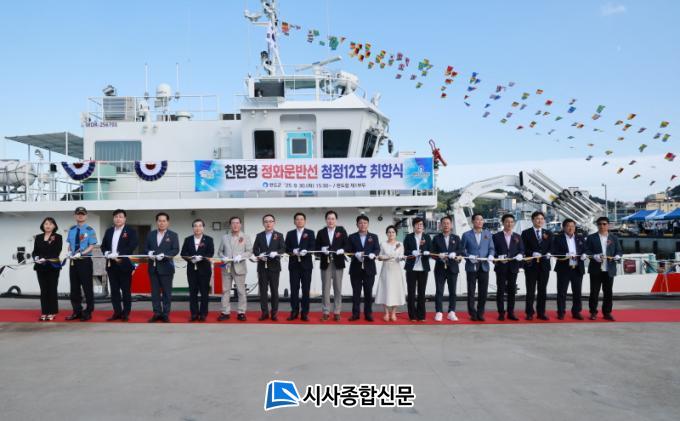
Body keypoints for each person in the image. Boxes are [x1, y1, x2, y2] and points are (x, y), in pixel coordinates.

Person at [101, 209, 138, 322]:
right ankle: (117, 312)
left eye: (120, 217)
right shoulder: (109, 231)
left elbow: (132, 245)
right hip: (111, 265)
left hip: (124, 265)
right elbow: (103, 246)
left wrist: (118, 254)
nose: (118, 219)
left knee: (126, 290)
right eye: (116, 217)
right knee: (114, 290)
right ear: (113, 218)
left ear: (125, 219)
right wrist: (107, 253)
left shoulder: (130, 231)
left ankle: (125, 313)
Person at [585, 216, 622, 321]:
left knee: (608, 292)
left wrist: (618, 256)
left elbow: (619, 251)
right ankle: (593, 312)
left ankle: (607, 313)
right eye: (600, 224)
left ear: (608, 225)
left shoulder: (614, 238)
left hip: (609, 269)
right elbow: (587, 250)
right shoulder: (591, 237)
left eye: (604, 224)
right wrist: (594, 256)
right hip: (595, 269)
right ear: (597, 225)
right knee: (594, 292)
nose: (602, 226)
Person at [144, 212, 180, 323]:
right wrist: (149, 253)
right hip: (153, 268)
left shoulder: (173, 235)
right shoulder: (150, 234)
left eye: (164, 221)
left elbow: (175, 249)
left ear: (168, 222)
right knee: (155, 293)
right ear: (156, 222)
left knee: (166, 293)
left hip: (166, 268)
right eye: (159, 221)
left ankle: (165, 314)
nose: (162, 223)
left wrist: (165, 255)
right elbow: (145, 248)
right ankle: (156, 313)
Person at [461, 214, 495, 321]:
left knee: (483, 291)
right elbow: (462, 250)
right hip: (471, 266)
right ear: (473, 222)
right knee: (471, 291)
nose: (479, 222)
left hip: (484, 266)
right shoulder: (466, 235)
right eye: (477, 220)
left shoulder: (488, 234)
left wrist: (491, 255)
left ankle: (480, 313)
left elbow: (491, 248)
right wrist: (469, 256)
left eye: (481, 220)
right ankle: (472, 313)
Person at [315, 210, 348, 321]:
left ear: (336, 220)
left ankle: (337, 311)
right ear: (326, 220)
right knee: (325, 288)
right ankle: (326, 311)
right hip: (325, 263)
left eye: (333, 219)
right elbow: (316, 248)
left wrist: (343, 250)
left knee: (338, 288)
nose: (331, 221)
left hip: (338, 263)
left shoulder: (341, 230)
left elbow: (347, 244)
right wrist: (321, 249)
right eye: (329, 218)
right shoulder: (321, 232)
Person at [217, 216, 252, 321]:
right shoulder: (225, 237)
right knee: (225, 291)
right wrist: (223, 257)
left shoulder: (245, 237)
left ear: (240, 225)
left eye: (237, 223)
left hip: (239, 267)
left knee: (241, 291)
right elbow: (219, 252)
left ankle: (241, 312)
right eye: (233, 223)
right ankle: (225, 312)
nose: (235, 225)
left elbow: (249, 251)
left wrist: (241, 256)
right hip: (226, 267)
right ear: (230, 225)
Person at [65, 207, 97, 321]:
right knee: (74, 288)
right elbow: (70, 244)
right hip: (73, 261)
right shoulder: (72, 229)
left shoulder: (90, 230)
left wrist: (82, 253)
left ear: (86, 216)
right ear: (75, 216)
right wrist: (69, 252)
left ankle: (88, 311)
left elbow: (92, 245)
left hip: (85, 260)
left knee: (87, 287)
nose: (80, 215)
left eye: (82, 214)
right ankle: (76, 311)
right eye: (78, 214)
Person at [550, 218, 586, 320]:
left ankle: (576, 312)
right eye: (568, 226)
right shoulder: (558, 238)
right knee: (562, 292)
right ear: (564, 227)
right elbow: (554, 251)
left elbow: (585, 249)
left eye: (572, 226)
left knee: (577, 292)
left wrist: (584, 254)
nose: (571, 228)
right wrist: (565, 254)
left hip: (577, 268)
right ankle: (561, 312)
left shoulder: (580, 238)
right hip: (563, 268)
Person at [347, 215, 380, 322]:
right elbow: (348, 250)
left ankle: (368, 314)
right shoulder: (352, 237)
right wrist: (354, 254)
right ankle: (355, 314)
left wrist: (374, 254)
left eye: (365, 223)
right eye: (360, 223)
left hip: (369, 269)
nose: (363, 225)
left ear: (368, 224)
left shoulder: (373, 236)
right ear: (357, 224)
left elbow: (377, 249)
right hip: (355, 269)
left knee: (368, 293)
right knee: (356, 293)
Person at [252, 214, 286, 321]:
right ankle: (264, 313)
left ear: (274, 223)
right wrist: (259, 255)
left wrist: (276, 252)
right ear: (263, 223)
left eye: (270, 221)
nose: (268, 223)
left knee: (274, 291)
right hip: (262, 266)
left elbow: (283, 248)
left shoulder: (279, 235)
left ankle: (274, 313)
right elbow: (255, 249)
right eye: (266, 221)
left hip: (274, 266)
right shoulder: (259, 235)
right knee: (263, 291)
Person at [492, 214, 525, 321]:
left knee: (512, 290)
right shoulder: (496, 236)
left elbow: (522, 250)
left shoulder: (517, 236)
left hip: (513, 267)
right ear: (503, 223)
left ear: (514, 223)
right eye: (507, 221)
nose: (509, 224)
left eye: (511, 222)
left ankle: (511, 312)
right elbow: (492, 251)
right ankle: (501, 313)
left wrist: (520, 255)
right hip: (501, 267)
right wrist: (498, 257)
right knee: (500, 290)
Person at [521, 211, 553, 320]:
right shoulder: (526, 233)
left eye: (542, 219)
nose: (540, 221)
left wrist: (549, 253)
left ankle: (541, 312)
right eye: (537, 218)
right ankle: (529, 313)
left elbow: (552, 247)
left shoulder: (548, 233)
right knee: (530, 290)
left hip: (544, 266)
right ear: (533, 220)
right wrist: (532, 253)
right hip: (531, 266)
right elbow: (523, 248)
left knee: (542, 290)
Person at [181, 219, 215, 322]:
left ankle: (203, 314)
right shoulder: (188, 239)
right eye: (195, 226)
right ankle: (194, 314)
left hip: (204, 269)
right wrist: (191, 258)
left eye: (200, 226)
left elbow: (210, 253)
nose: (197, 228)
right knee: (193, 292)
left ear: (203, 228)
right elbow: (183, 253)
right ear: (193, 228)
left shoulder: (208, 239)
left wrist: (201, 257)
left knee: (204, 292)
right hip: (192, 269)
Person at [430, 215, 462, 322]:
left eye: (448, 223)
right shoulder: (436, 238)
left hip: (453, 268)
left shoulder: (456, 238)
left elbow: (461, 251)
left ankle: (451, 312)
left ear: (451, 225)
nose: (446, 225)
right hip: (440, 268)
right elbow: (432, 253)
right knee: (439, 291)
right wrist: (439, 256)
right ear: (440, 225)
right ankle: (439, 312)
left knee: (453, 291)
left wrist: (455, 254)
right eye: (444, 223)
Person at [284, 212, 316, 321]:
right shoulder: (290, 233)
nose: (299, 221)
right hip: (294, 265)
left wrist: (306, 251)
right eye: (297, 219)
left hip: (306, 265)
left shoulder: (310, 233)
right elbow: (286, 248)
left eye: (301, 219)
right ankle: (294, 311)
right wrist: (292, 250)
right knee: (294, 289)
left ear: (305, 221)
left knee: (306, 289)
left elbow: (313, 246)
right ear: (294, 221)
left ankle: (305, 313)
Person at [32, 217, 63, 321]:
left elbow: (56, 251)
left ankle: (52, 312)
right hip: (40, 267)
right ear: (43, 225)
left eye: (50, 224)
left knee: (52, 289)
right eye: (46, 223)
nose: (48, 225)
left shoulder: (58, 237)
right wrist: (36, 258)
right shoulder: (38, 237)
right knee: (43, 289)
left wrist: (44, 258)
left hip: (52, 267)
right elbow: (35, 251)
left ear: (54, 226)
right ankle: (44, 312)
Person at [375, 225, 406, 322]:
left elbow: (401, 255)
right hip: (386, 269)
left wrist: (401, 258)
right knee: (385, 289)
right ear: (386, 233)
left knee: (395, 290)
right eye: (389, 232)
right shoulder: (383, 244)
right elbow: (379, 256)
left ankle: (393, 313)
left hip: (396, 269)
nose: (391, 234)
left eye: (393, 232)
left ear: (396, 233)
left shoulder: (400, 244)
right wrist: (385, 257)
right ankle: (386, 313)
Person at [403, 217, 432, 322]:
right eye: (417, 224)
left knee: (421, 292)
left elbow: (431, 250)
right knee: (411, 292)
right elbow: (405, 251)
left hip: (423, 268)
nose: (419, 226)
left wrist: (427, 252)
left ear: (423, 226)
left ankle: (421, 315)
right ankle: (412, 315)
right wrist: (412, 252)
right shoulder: (408, 237)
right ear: (413, 226)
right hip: (411, 268)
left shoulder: (427, 237)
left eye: (421, 224)